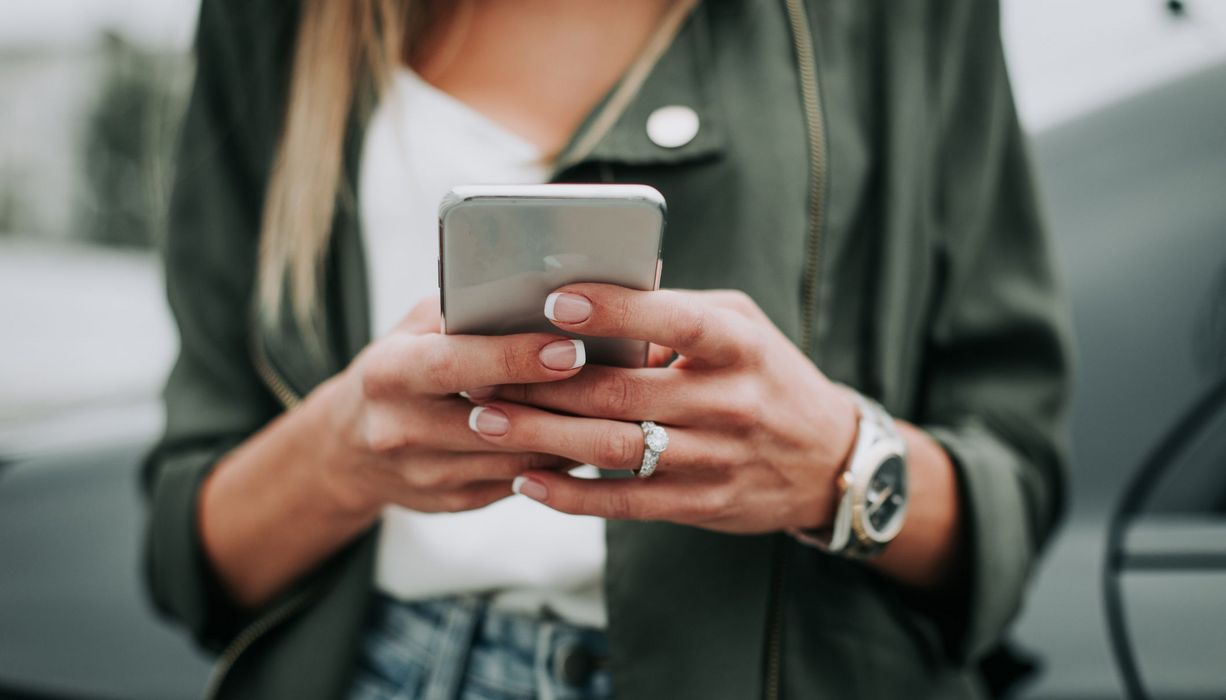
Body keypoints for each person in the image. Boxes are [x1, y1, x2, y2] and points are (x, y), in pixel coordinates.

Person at [142, 0, 1072, 698]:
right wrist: (343, 453)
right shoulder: (277, 20)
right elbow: (191, 562)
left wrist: (837, 461)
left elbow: (1011, 509)